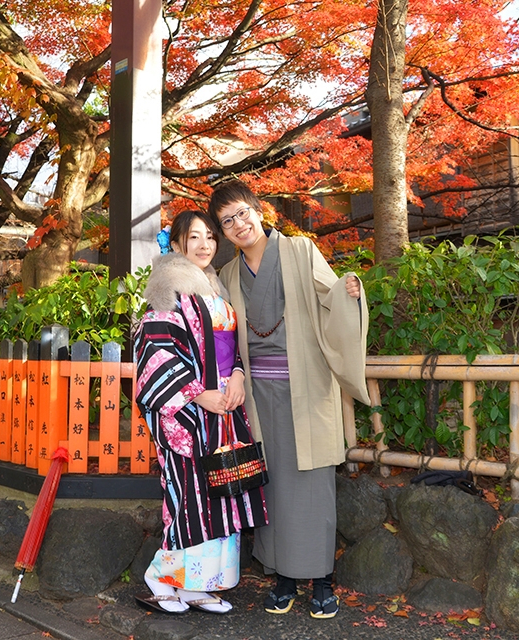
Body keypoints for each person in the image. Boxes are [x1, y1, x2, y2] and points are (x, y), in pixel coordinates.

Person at [208, 179, 371, 619]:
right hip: (257, 396)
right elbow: (222, 341)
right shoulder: (227, 275)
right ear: (222, 233)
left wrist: (349, 290)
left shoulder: (300, 251)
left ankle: (322, 581)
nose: (238, 224)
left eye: (242, 213)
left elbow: (329, 295)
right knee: (272, 486)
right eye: (227, 221)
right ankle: (281, 577)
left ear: (258, 210)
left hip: (306, 386)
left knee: (314, 483)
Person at [133, 210, 268, 614]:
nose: (205, 244)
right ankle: (162, 581)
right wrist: (197, 394)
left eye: (210, 236)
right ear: (176, 245)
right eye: (194, 237)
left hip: (224, 408)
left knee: (220, 495)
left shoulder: (215, 288)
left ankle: (199, 586)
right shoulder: (167, 289)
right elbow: (155, 354)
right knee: (187, 498)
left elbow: (233, 350)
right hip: (188, 414)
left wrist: (239, 376)